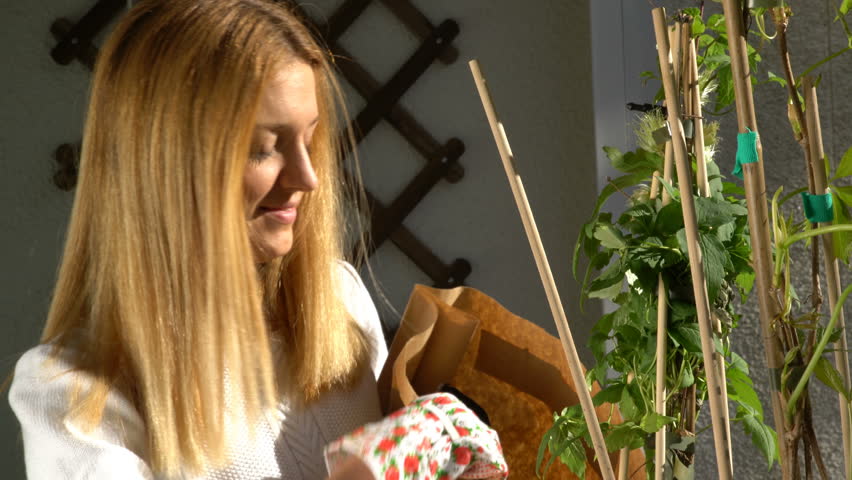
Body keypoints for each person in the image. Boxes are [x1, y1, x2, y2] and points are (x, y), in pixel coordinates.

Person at [8, 0, 389, 478]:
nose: (307, 177)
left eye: (309, 140)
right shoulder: (72, 396)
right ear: (162, 167)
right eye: (262, 149)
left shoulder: (338, 302)